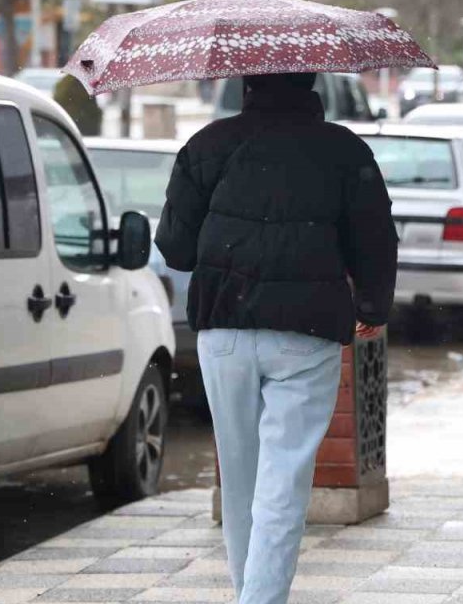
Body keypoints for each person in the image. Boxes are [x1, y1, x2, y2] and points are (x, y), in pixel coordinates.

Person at [155, 72, 397, 604]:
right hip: (305, 334)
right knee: (282, 485)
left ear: (246, 83)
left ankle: (254, 597)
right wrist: (372, 307)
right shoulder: (343, 150)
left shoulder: (207, 144)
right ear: (312, 81)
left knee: (240, 482)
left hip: (224, 329)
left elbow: (175, 249)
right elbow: (376, 238)